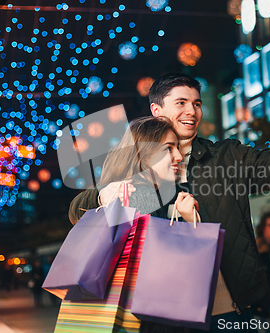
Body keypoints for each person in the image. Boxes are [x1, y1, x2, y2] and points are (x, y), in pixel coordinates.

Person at [69, 73, 270, 332]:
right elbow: (82, 210)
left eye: (197, 104)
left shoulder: (227, 157)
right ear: (157, 110)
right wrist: (121, 191)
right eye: (180, 102)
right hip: (163, 315)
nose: (191, 111)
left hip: (229, 310)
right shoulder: (136, 165)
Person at [74, 116, 199, 332]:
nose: (178, 155)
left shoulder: (169, 193)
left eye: (177, 148)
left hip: (130, 311)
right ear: (145, 155)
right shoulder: (135, 192)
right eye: (168, 149)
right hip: (147, 315)